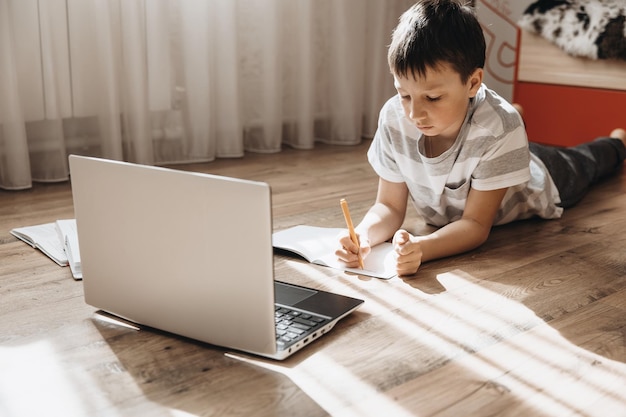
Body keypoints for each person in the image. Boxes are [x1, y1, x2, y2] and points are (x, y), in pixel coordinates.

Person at [336, 0, 626, 276]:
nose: (414, 114)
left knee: (589, 161)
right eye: (404, 95)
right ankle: (516, 120)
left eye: (433, 98)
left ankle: (617, 142)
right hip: (495, 139)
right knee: (501, 127)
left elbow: (474, 224)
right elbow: (388, 206)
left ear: (473, 83)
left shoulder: (498, 127)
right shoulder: (394, 119)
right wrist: (362, 236)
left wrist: (423, 248)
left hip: (544, 175)